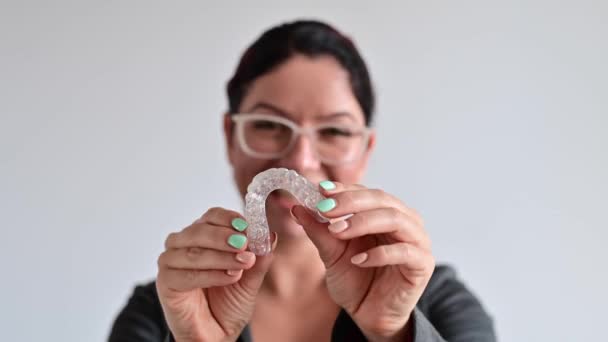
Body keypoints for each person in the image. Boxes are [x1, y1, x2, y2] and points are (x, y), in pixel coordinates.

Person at [109, 20, 496, 342]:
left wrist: (392, 333)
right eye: (268, 125)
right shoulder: (162, 310)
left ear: (365, 150)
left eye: (334, 132)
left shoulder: (439, 302)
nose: (300, 159)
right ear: (230, 137)